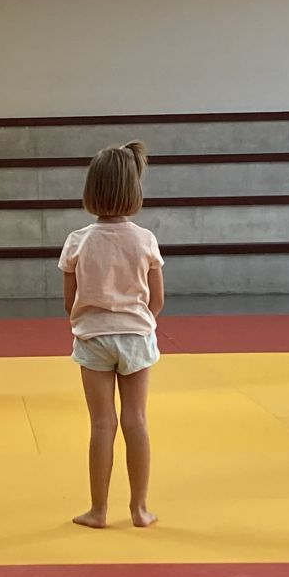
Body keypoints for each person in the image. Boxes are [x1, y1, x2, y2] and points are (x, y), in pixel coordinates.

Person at [59, 141, 163, 529]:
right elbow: (157, 299)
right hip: (136, 335)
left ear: (91, 189)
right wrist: (138, 321)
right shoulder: (144, 239)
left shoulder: (78, 240)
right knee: (136, 420)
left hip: (93, 338)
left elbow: (70, 301)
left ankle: (98, 510)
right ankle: (139, 508)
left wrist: (92, 320)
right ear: (135, 189)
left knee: (102, 425)